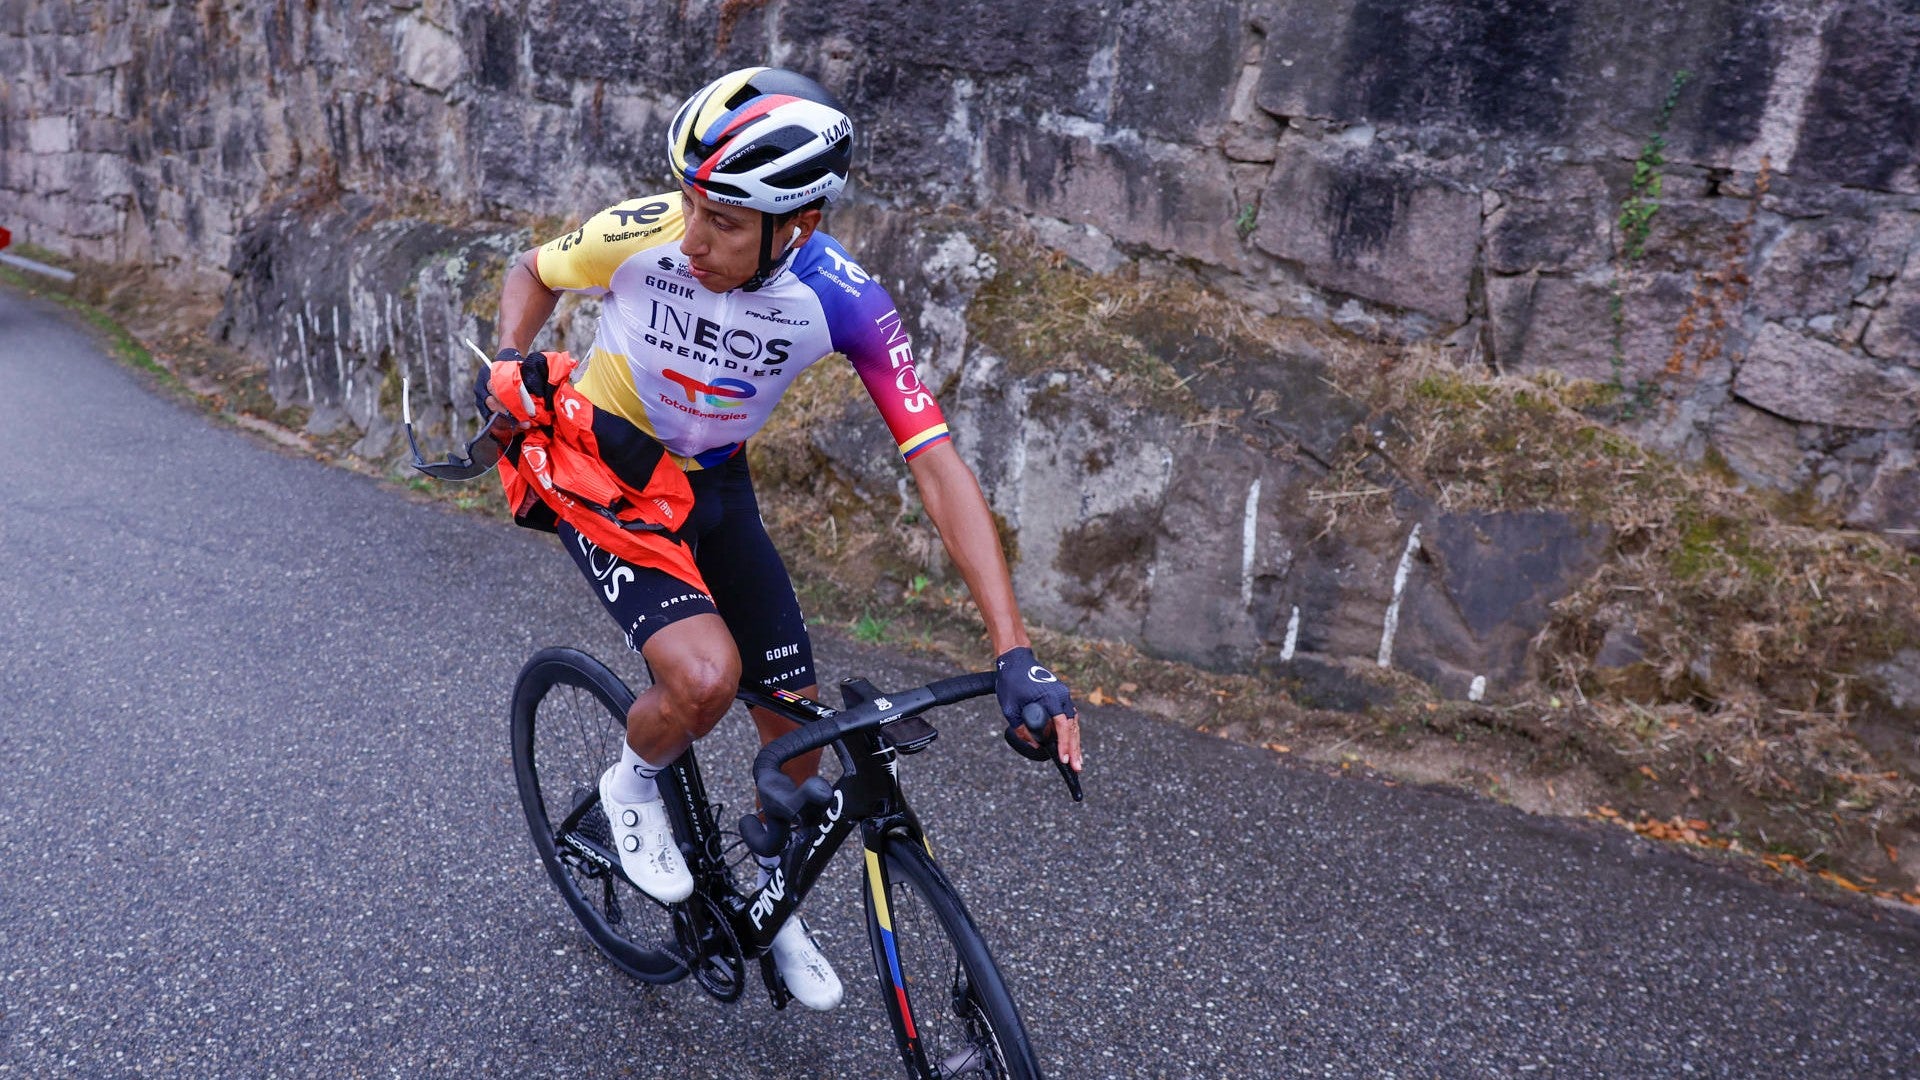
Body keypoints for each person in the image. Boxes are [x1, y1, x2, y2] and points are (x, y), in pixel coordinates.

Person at [478, 67, 1080, 1011]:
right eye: (690, 203)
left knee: (796, 741)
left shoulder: (845, 298)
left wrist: (1016, 650)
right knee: (705, 678)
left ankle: (771, 899)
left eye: (722, 221)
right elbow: (530, 272)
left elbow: (937, 464)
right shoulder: (640, 235)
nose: (692, 235)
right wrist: (510, 366)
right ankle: (634, 784)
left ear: (794, 225)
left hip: (715, 485)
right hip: (608, 471)